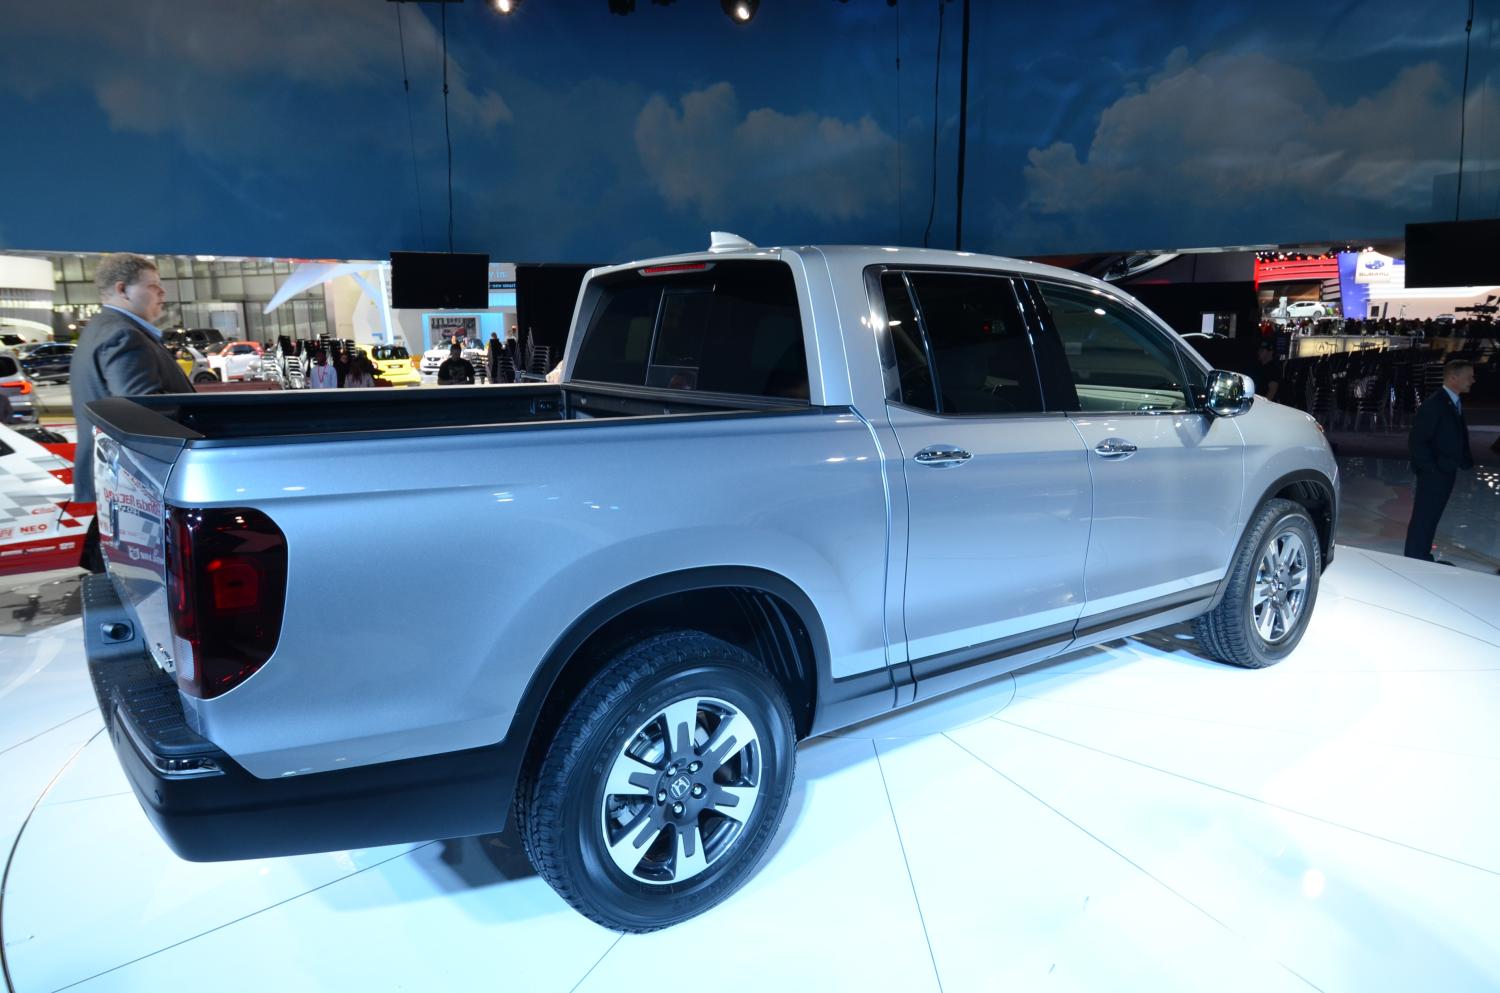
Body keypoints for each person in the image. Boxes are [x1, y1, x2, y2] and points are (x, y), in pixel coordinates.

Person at [69, 253, 194, 573]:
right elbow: (142, 412)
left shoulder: (102, 328)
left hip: (118, 476)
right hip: (134, 480)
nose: (162, 293)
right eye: (153, 286)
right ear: (122, 289)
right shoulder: (122, 335)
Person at [1403, 360, 1475, 562]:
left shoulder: (1451, 402)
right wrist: (1431, 469)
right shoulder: (1435, 404)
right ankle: (1416, 555)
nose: (1472, 380)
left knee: (1431, 514)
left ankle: (1421, 553)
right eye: (1468, 377)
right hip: (1434, 472)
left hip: (1444, 469)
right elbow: (1418, 441)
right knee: (1425, 515)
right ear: (1453, 378)